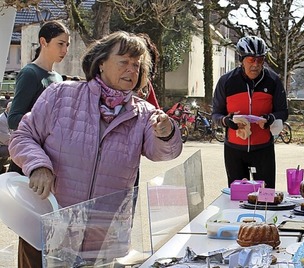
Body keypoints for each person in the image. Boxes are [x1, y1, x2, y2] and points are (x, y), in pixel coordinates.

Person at [9, 31, 183, 268]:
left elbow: (165, 153)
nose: (132, 69)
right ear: (101, 62)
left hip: (102, 238)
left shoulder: (143, 114)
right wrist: (38, 165)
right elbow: (22, 136)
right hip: (49, 227)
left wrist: (167, 133)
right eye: (124, 62)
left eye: (136, 64)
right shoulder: (61, 95)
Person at [212, 35, 288, 189]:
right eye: (251, 60)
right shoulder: (226, 81)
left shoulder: (273, 81)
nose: (256, 65)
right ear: (242, 59)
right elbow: (216, 114)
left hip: (263, 149)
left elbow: (283, 111)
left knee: (266, 197)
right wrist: (227, 121)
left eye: (260, 60)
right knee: (238, 200)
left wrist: (270, 118)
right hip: (234, 150)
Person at [8, 21, 70, 177]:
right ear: (44, 42)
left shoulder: (57, 78)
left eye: (67, 45)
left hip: (50, 157)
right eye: (60, 44)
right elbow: (13, 119)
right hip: (29, 158)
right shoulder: (30, 73)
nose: (65, 50)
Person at [0, 102, 11, 173]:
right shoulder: (1, 120)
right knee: (11, 150)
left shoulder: (8, 117)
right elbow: (5, 138)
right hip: (2, 144)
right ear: (7, 109)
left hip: (6, 142)